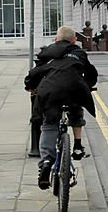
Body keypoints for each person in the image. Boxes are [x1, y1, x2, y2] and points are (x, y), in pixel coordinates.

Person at [24, 26, 98, 190]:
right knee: (76, 110)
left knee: (49, 126)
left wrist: (30, 86)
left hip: (50, 91)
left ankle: (46, 162)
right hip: (74, 89)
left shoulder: (48, 53)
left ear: (56, 39)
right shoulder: (78, 53)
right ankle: (78, 146)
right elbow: (91, 72)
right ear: (73, 40)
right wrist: (89, 85)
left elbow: (35, 72)